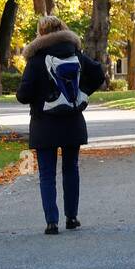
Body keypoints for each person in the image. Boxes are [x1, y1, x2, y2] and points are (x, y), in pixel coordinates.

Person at [16, 15, 105, 235]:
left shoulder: (35, 60)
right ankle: (72, 217)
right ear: (62, 29)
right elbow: (99, 74)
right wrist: (82, 93)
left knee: (47, 173)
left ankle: (51, 221)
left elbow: (23, 95)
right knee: (71, 168)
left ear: (41, 33)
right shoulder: (76, 54)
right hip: (72, 121)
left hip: (44, 123)